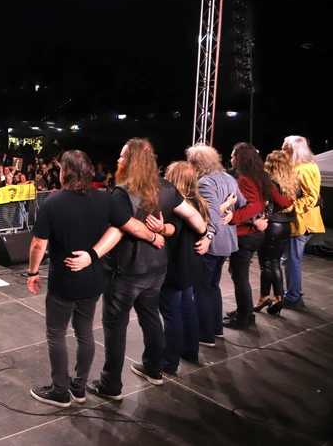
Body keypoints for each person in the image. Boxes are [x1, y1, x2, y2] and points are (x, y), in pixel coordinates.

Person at [27, 149, 165, 408]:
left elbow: (38, 245)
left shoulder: (52, 204)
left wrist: (33, 273)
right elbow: (129, 227)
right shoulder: (105, 199)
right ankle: (79, 388)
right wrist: (155, 236)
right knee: (85, 333)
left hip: (64, 283)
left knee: (56, 334)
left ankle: (60, 391)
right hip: (93, 281)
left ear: (65, 173)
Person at [86, 138, 209, 401]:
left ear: (132, 161)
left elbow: (120, 230)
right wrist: (206, 235)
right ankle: (154, 369)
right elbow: (193, 216)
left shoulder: (122, 193)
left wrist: (93, 254)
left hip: (125, 273)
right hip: (156, 269)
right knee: (151, 318)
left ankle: (110, 384)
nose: (118, 160)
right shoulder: (167, 187)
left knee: (115, 327)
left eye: (122, 156)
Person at [145, 162, 209, 375]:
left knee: (172, 313)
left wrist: (160, 228)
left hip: (175, 265)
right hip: (192, 263)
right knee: (187, 307)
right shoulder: (199, 201)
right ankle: (190, 351)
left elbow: (173, 229)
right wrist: (208, 236)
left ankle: (169, 362)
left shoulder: (176, 204)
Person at [224, 143, 293, 328]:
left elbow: (253, 206)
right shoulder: (262, 177)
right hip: (256, 234)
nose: (231, 159)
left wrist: (233, 217)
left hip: (245, 235)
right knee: (240, 275)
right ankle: (245, 312)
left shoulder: (245, 179)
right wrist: (267, 214)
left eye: (233, 155)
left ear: (241, 158)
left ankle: (243, 318)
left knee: (239, 277)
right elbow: (283, 202)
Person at [186, 144, 245, 347]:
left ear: (196, 164)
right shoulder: (229, 178)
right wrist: (230, 210)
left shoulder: (204, 182)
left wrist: (224, 210)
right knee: (212, 287)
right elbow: (242, 203)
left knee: (202, 289)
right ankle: (216, 329)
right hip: (226, 242)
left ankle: (205, 335)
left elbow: (210, 214)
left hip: (211, 243)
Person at [281, 135, 325, 309]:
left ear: (295, 150)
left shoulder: (304, 169)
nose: (282, 152)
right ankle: (294, 294)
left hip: (301, 222)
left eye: (285, 149)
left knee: (291, 260)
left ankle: (293, 297)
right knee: (291, 259)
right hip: (301, 220)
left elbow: (311, 198)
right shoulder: (304, 166)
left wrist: (285, 209)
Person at [255, 150, 298, 316]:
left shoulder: (270, 182)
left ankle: (268, 296)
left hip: (272, 224)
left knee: (266, 263)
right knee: (273, 263)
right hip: (285, 226)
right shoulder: (292, 181)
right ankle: (274, 297)